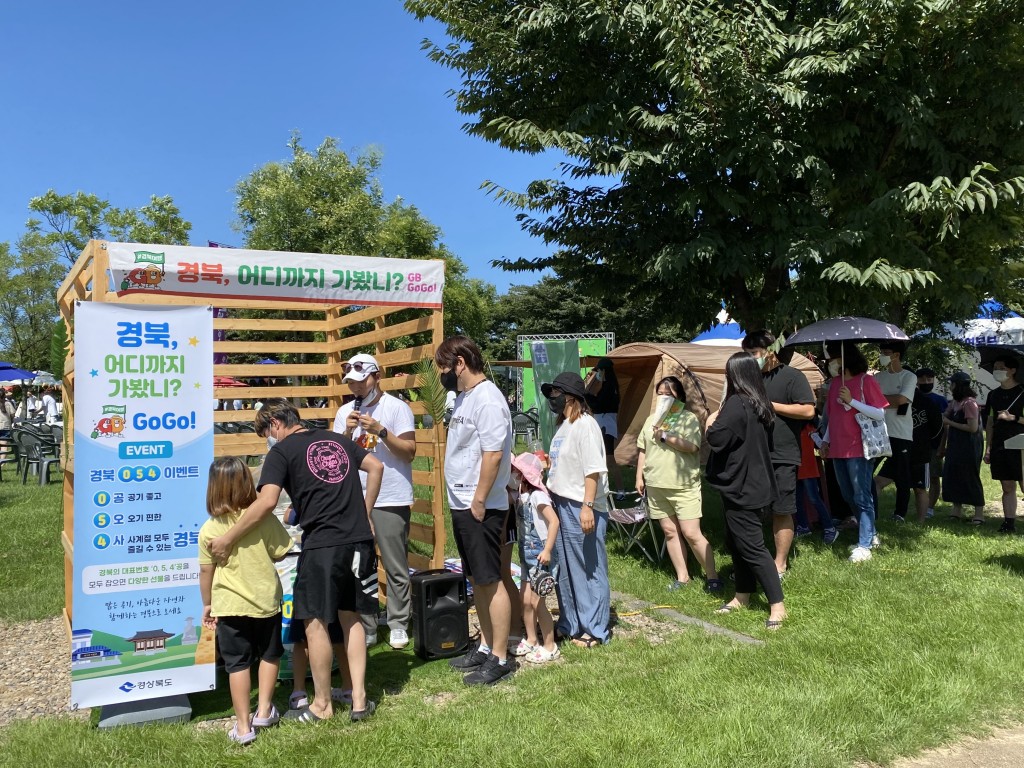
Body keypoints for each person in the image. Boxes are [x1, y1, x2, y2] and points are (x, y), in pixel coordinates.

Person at [209, 398, 384, 723]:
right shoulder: (337, 440)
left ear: (275, 423)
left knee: (314, 623)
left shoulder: (282, 452)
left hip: (322, 546)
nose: (267, 439)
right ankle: (359, 700)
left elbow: (267, 502)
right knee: (352, 617)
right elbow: (376, 466)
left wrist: (228, 538)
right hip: (358, 540)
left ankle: (321, 705)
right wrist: (367, 514)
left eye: (265, 432)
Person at [436, 335, 516, 685]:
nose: (441, 374)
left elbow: (493, 453)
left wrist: (481, 498)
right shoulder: (464, 398)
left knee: (490, 579)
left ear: (460, 364)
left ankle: (500, 656)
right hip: (462, 502)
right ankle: (484, 645)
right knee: (475, 580)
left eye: (443, 367)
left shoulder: (488, 398)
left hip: (480, 504)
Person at [198, 457, 293, 745]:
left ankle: (242, 726)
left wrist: (207, 603)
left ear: (213, 489)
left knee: (237, 664)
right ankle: (264, 710)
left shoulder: (209, 529)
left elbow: (205, 570)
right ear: (247, 484)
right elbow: (281, 551)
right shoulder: (264, 519)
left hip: (228, 605)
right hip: (265, 601)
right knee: (269, 654)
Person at [334, 352, 417, 650]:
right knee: (361, 566)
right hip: (355, 498)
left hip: (391, 496)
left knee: (395, 564)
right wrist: (346, 431)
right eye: (350, 383)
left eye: (360, 381)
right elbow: (335, 456)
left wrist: (380, 431)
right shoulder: (344, 412)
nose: (355, 388)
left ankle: (398, 622)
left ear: (376, 377)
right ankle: (367, 625)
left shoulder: (397, 408)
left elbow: (409, 451)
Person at [706, 352, 785, 628]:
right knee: (738, 544)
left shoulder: (737, 404)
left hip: (742, 485)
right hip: (756, 481)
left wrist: (709, 423)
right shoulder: (759, 403)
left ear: (734, 375)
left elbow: (717, 437)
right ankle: (742, 595)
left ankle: (777, 606)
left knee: (753, 547)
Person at [635, 375, 722, 591]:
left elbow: (692, 447)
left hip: (683, 486)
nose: (664, 397)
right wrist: (639, 476)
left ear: (679, 396)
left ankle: (712, 577)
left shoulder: (687, 418)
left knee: (692, 533)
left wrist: (665, 436)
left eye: (669, 394)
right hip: (656, 483)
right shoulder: (650, 419)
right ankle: (682, 577)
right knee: (670, 532)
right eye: (661, 394)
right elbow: (643, 449)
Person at [544, 371, 611, 646]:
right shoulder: (564, 427)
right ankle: (571, 622)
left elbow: (593, 470)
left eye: (556, 394)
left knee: (589, 566)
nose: (552, 399)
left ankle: (595, 629)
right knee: (568, 568)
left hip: (581, 504)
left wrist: (587, 507)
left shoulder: (586, 425)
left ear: (571, 397)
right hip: (561, 503)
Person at [741, 331, 815, 578]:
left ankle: (780, 564)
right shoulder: (749, 379)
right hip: (753, 454)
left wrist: (772, 406)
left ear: (770, 351)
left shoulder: (793, 376)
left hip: (782, 454)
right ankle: (755, 558)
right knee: (752, 508)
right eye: (747, 355)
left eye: (754, 354)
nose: (751, 359)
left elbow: (808, 411)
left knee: (782, 509)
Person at [819, 342, 889, 563]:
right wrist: (825, 441)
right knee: (848, 494)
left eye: (831, 359)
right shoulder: (834, 384)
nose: (829, 363)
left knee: (861, 495)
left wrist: (852, 401)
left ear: (843, 358)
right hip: (838, 448)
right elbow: (833, 418)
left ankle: (864, 545)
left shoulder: (866, 381)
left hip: (860, 447)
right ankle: (870, 534)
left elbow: (879, 414)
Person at [509, 452, 561, 663]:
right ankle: (532, 639)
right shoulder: (521, 497)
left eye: (516, 472)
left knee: (538, 603)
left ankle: (550, 645)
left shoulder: (538, 497)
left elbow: (554, 522)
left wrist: (547, 550)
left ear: (524, 476)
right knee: (525, 600)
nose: (512, 474)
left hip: (541, 555)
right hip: (526, 556)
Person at [873, 342, 918, 522]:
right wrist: (889, 400)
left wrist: (881, 400)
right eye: (881, 352)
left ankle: (900, 513)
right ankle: (870, 510)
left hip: (901, 433)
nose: (882, 355)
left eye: (886, 352)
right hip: (878, 433)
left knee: (902, 476)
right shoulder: (877, 377)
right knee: (868, 470)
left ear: (896, 355)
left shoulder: (909, 377)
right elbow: (871, 401)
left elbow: (901, 400)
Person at [983, 355, 1024, 533]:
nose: (997, 371)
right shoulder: (993, 395)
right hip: (1000, 443)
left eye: (1002, 367)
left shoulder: (1023, 392)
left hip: (1020, 443)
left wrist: (1012, 417)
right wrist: (988, 447)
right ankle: (1009, 523)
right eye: (995, 367)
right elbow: (990, 422)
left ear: (1013, 370)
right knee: (1007, 485)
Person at [940, 372, 985, 523]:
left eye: (952, 383)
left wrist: (949, 422)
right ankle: (956, 511)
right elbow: (945, 417)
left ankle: (979, 514)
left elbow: (972, 428)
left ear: (957, 385)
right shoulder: (955, 402)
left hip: (970, 445)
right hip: (955, 444)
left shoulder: (970, 403)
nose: (950, 386)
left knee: (970, 476)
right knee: (953, 475)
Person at [793, 422, 839, 544]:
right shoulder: (792, 426)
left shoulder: (809, 427)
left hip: (807, 469)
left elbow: (819, 442)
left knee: (814, 499)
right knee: (797, 499)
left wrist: (824, 448)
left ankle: (830, 528)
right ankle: (803, 526)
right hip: (795, 468)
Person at [585, 358, 624, 494]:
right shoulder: (607, 385)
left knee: (608, 457)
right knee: (604, 457)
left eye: (599, 371)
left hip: (605, 424)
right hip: (603, 422)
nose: (598, 373)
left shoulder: (609, 387)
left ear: (604, 371)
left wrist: (587, 396)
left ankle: (620, 490)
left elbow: (598, 405)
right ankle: (611, 489)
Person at [915, 368, 948, 517]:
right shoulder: (912, 397)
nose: (926, 382)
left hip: (934, 445)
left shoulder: (940, 400)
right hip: (916, 444)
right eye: (922, 379)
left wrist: (942, 445)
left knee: (934, 476)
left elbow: (944, 426)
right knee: (917, 479)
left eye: (929, 379)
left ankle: (930, 508)